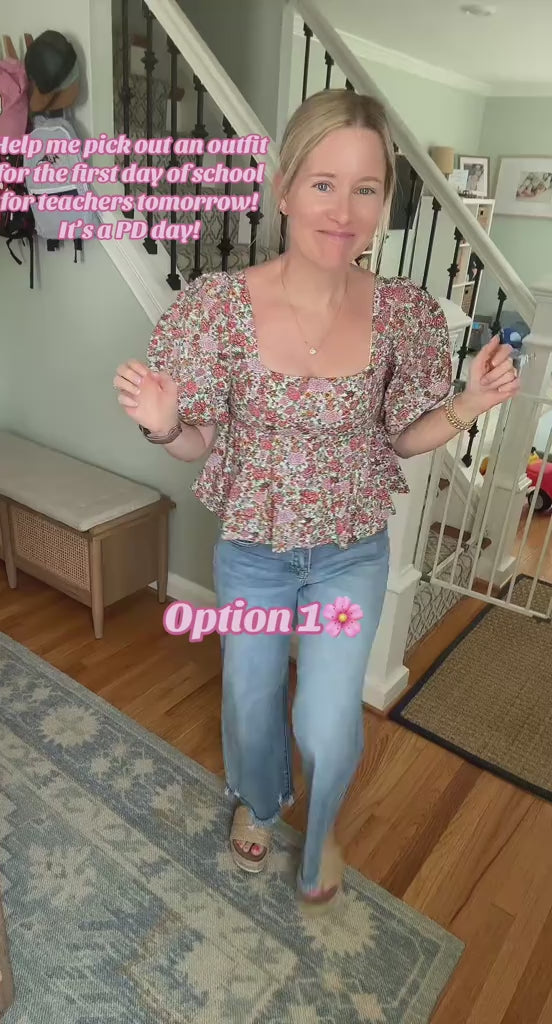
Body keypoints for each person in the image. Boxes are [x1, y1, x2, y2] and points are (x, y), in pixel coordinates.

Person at [113, 89, 519, 909]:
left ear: (385, 201)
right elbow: (199, 442)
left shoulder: (401, 313)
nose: (343, 210)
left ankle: (323, 824)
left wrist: (468, 405)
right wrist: (165, 425)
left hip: (349, 556)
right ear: (285, 189)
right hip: (254, 557)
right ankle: (261, 803)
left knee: (327, 723)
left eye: (365, 188)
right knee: (251, 699)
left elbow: (399, 438)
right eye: (324, 184)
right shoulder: (219, 308)